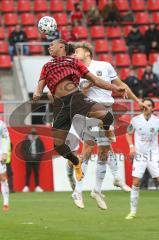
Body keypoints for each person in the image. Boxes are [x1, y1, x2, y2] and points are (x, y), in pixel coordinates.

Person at [65, 42, 148, 209]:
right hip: (90, 111)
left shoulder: (105, 66)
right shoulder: (76, 73)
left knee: (104, 151)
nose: (74, 54)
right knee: (88, 150)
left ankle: (96, 189)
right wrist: (90, 84)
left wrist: (138, 101)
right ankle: (78, 191)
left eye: (77, 51)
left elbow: (121, 85)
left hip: (107, 111)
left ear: (87, 52)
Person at [33, 39, 128, 184]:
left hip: (76, 98)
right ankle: (76, 162)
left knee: (106, 116)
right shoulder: (47, 66)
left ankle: (107, 129)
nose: (49, 47)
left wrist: (115, 88)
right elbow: (41, 84)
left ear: (61, 46)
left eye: (52, 45)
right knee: (58, 146)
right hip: (59, 105)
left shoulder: (74, 63)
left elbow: (95, 80)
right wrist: (37, 92)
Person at [125, 98, 159, 219]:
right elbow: (128, 133)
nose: (146, 107)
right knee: (136, 182)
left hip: (154, 154)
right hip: (140, 155)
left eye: (149, 105)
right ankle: (132, 211)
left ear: (153, 108)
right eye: (144, 105)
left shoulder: (157, 121)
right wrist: (131, 147)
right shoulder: (135, 120)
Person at [22, 128, 45, 192]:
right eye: (32, 134)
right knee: (28, 173)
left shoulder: (39, 140)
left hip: (36, 160)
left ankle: (37, 187)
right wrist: (26, 158)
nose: (33, 135)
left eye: (34, 134)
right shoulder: (26, 140)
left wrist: (39, 157)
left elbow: (42, 149)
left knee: (36, 173)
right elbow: (23, 150)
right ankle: (26, 187)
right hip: (28, 160)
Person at [0, 120, 10, 211]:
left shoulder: (1, 124)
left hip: (0, 156)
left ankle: (6, 202)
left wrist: (5, 152)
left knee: (3, 178)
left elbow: (7, 137)